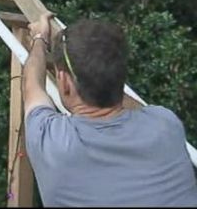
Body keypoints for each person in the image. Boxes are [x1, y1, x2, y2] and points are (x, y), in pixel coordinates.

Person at [23, 12, 197, 207]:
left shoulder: (51, 141)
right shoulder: (166, 124)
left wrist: (39, 39)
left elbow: (32, 86)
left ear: (63, 82)